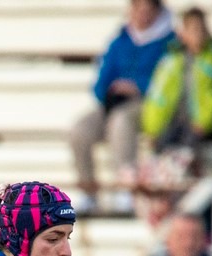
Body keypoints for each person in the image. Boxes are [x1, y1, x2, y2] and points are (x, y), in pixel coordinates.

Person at [69, 0, 175, 215]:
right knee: (80, 130)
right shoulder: (120, 41)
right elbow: (101, 80)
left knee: (121, 122)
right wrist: (110, 91)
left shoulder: (169, 43)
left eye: (147, 10)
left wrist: (138, 87)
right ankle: (88, 190)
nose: (141, 15)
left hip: (149, 104)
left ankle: (125, 188)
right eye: (137, 9)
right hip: (114, 103)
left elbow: (168, 80)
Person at [140, 7, 212, 158]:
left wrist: (204, 121)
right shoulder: (171, 61)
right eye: (193, 30)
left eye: (201, 29)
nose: (198, 34)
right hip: (174, 120)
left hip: (200, 123)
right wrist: (152, 129)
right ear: (182, 33)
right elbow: (158, 94)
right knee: (161, 145)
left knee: (187, 148)